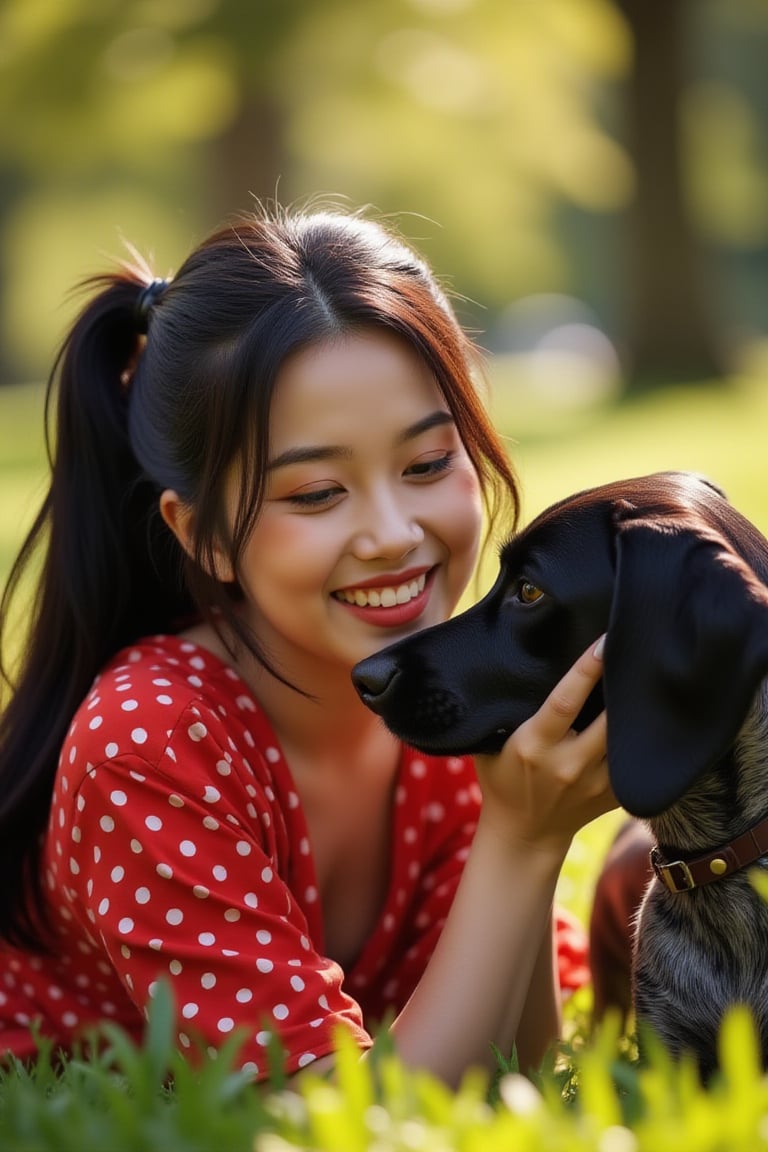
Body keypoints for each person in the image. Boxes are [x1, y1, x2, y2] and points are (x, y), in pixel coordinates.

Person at [0, 202, 614, 1087]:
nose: (393, 533)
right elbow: (337, 1119)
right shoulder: (152, 742)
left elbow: (517, 1072)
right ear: (202, 533)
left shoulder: (448, 702)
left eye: (428, 464)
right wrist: (516, 838)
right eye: (319, 492)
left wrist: (534, 836)